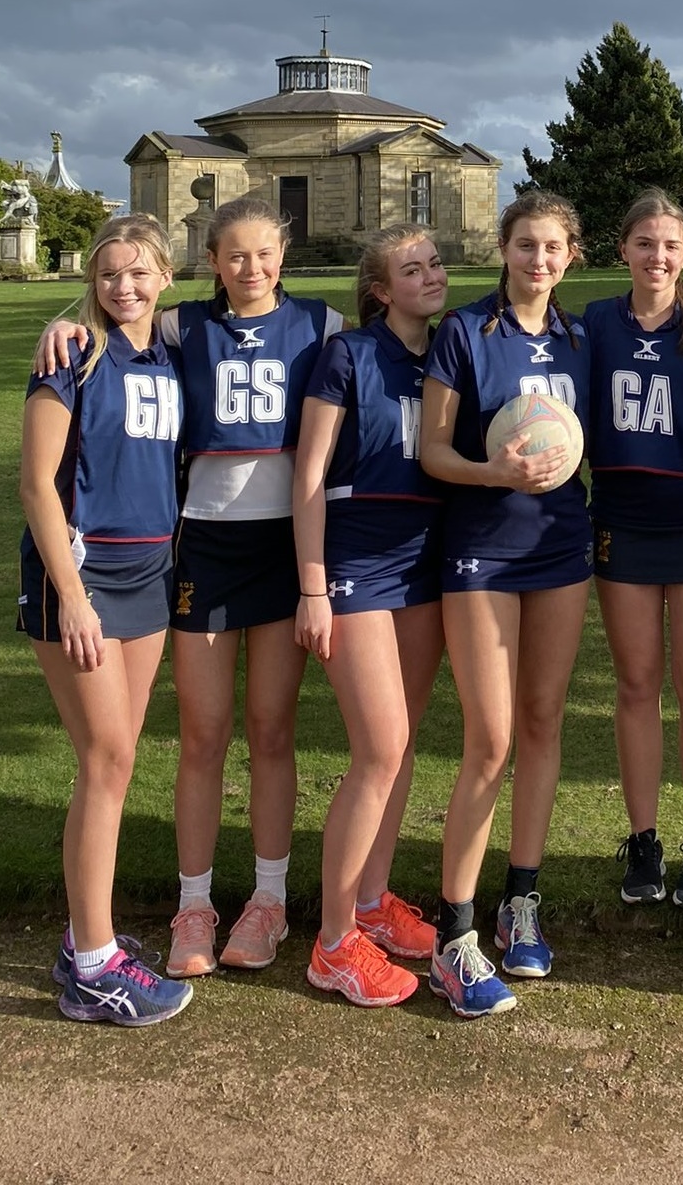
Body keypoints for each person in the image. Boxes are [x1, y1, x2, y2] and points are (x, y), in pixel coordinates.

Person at [37, 197, 345, 978]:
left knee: (271, 730)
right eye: (234, 256)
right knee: (203, 735)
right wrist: (62, 322)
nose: (250, 268)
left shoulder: (324, 325)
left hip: (282, 547)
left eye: (264, 254)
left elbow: (398, 330)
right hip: (203, 547)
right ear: (210, 263)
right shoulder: (182, 329)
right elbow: (112, 322)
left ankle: (268, 900)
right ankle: (194, 903)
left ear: (284, 255)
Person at [418, 190, 592, 1018]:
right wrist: (498, 474)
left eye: (552, 247)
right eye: (526, 245)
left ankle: (521, 899)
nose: (538, 260)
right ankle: (453, 933)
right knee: (488, 740)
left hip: (559, 549)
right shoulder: (464, 332)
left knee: (542, 724)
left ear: (569, 255)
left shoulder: (578, 337)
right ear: (504, 248)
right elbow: (434, 451)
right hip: (480, 552)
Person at [19, 214, 192, 1025]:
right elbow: (35, 487)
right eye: (109, 274)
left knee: (118, 763)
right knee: (108, 757)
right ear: (93, 281)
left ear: (165, 276)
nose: (124, 286)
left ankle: (86, 938)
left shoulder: (169, 352)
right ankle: (94, 966)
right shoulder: (71, 357)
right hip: (81, 579)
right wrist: (73, 595)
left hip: (150, 572)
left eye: (139, 273)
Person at [292, 224, 449, 1007]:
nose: (431, 276)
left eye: (435, 263)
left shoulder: (449, 352)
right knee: (378, 749)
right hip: (355, 565)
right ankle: (331, 945)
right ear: (380, 290)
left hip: (425, 561)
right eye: (411, 269)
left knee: (403, 742)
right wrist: (312, 585)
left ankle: (371, 902)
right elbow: (310, 476)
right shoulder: (348, 355)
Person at [584, 189, 683, 912]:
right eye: (644, 243)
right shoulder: (594, 324)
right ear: (623, 250)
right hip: (622, 519)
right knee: (635, 683)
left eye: (670, 244)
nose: (657, 256)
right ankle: (642, 838)